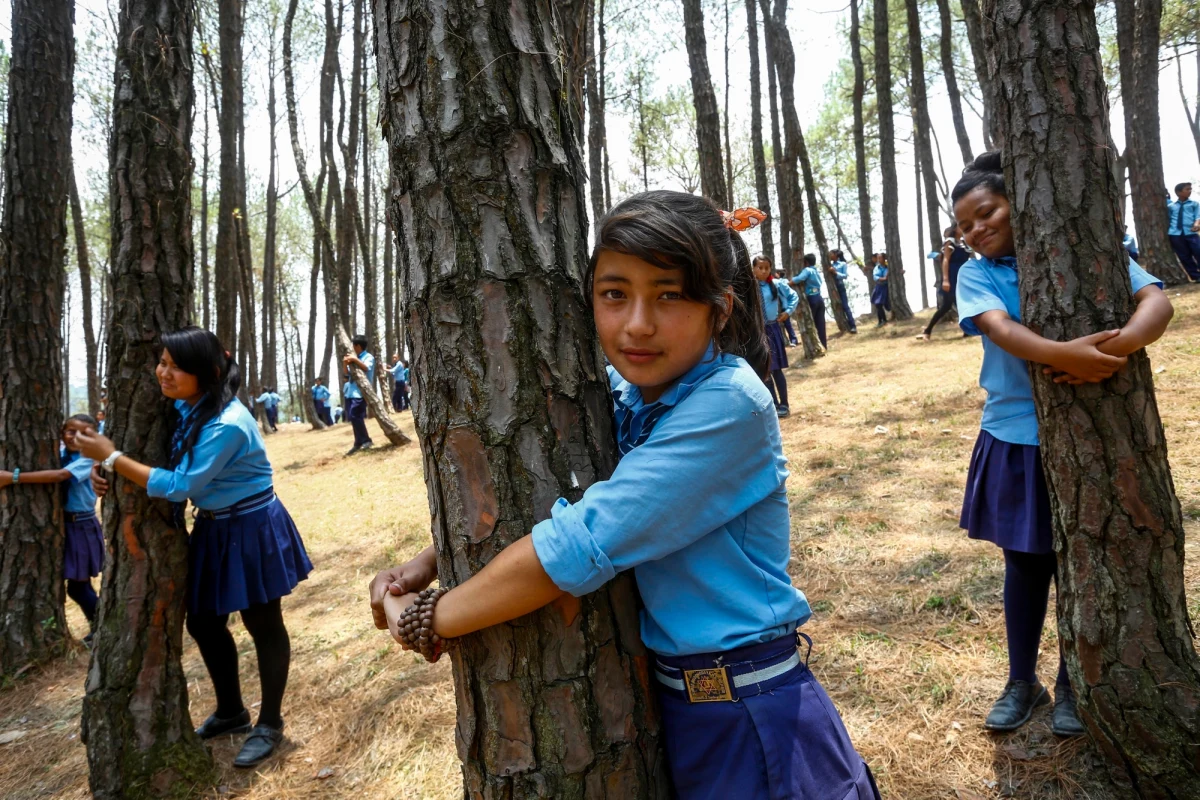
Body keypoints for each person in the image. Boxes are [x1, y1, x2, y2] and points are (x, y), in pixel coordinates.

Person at [369, 191, 880, 800]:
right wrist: (430, 561)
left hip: (755, 721)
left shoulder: (729, 404)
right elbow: (575, 501)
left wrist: (425, 618)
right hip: (687, 714)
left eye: (670, 295)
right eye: (614, 294)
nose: (637, 323)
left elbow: (578, 547)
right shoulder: (629, 392)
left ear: (719, 310)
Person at [952, 152, 1172, 737]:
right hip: (1014, 438)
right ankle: (1022, 680)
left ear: (1019, 202)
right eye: (964, 225)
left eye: (986, 212)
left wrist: (1116, 347)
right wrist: (1065, 355)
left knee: (1086, 561)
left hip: (1093, 433)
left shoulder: (1086, 247)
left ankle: (1077, 680)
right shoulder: (976, 273)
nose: (976, 229)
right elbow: (999, 328)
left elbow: (1157, 301)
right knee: (1026, 564)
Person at [78, 327, 314, 768]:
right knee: (204, 622)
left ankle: (270, 724)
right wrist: (105, 468)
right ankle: (231, 712)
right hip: (213, 526)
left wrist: (112, 458)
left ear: (207, 373)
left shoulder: (228, 424)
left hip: (251, 525)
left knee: (263, 622)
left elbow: (180, 484)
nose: (163, 373)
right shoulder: (186, 406)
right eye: (162, 362)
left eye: (176, 367)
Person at [0, 414, 105, 646]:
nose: (76, 437)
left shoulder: (87, 458)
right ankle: (99, 629)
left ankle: (101, 630)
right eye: (70, 431)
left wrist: (13, 477)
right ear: (60, 432)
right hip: (65, 525)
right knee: (77, 585)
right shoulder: (58, 453)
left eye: (85, 433)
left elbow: (60, 476)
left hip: (81, 526)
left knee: (78, 587)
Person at [753, 254, 800, 418]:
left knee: (776, 369)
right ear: (753, 269)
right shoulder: (749, 287)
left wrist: (788, 311)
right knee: (764, 370)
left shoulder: (776, 284)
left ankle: (784, 404)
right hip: (757, 332)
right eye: (760, 268)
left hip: (772, 329)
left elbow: (794, 296)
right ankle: (773, 404)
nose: (763, 271)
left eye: (767, 268)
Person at [917, 226, 971, 340]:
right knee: (957, 303)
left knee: (947, 306)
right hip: (952, 277)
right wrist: (946, 280)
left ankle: (927, 331)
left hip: (962, 276)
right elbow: (946, 260)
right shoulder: (950, 242)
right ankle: (967, 330)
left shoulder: (963, 243)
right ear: (955, 229)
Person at [342, 336, 376, 455]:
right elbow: (346, 375)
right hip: (351, 392)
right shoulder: (354, 358)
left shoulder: (368, 357)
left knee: (355, 415)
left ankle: (366, 440)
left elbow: (367, 368)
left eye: (353, 346)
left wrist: (354, 360)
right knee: (352, 417)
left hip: (361, 392)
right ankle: (358, 442)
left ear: (357, 346)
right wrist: (345, 363)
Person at [791, 253, 828, 349]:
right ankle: (823, 345)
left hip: (812, 298)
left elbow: (800, 278)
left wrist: (791, 281)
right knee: (821, 324)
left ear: (806, 262)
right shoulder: (816, 271)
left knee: (811, 323)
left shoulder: (807, 270)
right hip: (819, 297)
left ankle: (815, 346)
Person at [1167, 182, 1200, 280]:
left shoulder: (1194, 204)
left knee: (1198, 251)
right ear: (1178, 192)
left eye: (1190, 189)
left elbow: (1198, 216)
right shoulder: (1171, 206)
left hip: (1191, 232)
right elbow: (1168, 219)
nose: (1190, 191)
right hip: (1175, 234)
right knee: (1184, 256)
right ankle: (1196, 276)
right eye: (1187, 189)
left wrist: (1196, 224)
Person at [826, 249, 858, 334]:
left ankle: (853, 326)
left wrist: (835, 272)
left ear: (836, 255)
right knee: (837, 306)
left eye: (831, 254)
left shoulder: (842, 264)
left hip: (840, 286)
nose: (830, 255)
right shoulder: (829, 264)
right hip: (832, 288)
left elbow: (845, 276)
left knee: (845, 306)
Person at [773, 266, 801, 346]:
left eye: (776, 273)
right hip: (782, 307)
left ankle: (793, 340)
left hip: (785, 307)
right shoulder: (779, 282)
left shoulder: (781, 282)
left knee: (788, 325)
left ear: (778, 274)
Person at [870, 253, 890, 326]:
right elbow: (875, 277)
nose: (878, 260)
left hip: (886, 287)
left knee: (882, 304)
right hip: (879, 286)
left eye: (880, 258)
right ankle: (881, 321)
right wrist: (883, 278)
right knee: (877, 304)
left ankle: (884, 320)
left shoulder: (888, 266)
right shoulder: (877, 267)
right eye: (878, 258)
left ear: (884, 259)